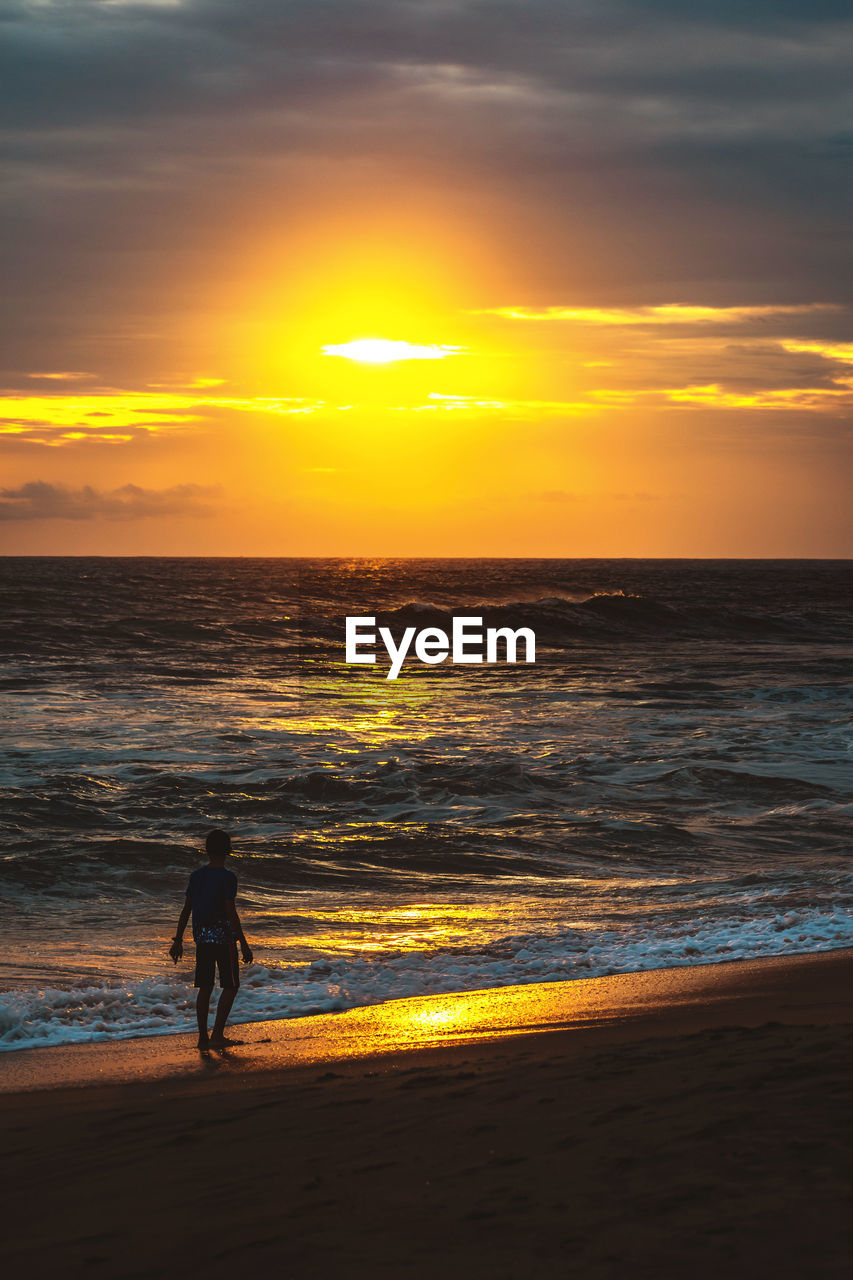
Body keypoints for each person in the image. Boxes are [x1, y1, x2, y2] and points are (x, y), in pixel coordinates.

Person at [169, 829, 253, 1049]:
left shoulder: (196, 876)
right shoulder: (228, 877)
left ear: (206, 850)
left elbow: (186, 909)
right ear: (227, 851)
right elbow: (230, 912)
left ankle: (202, 1038)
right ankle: (217, 1035)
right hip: (224, 939)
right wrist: (243, 943)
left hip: (201, 938)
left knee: (205, 987)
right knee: (231, 985)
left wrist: (178, 940)